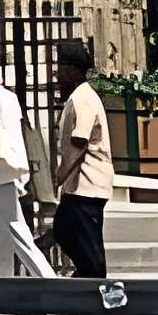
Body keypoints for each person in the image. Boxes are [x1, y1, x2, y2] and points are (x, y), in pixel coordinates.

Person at [0, 51, 53, 279]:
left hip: (0, 174)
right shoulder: (10, 97)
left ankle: (47, 277)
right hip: (6, 173)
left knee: (18, 231)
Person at [51, 38, 115, 278]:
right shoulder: (78, 96)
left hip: (88, 185)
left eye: (61, 69)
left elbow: (80, 142)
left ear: (72, 71)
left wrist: (61, 174)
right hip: (80, 186)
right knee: (64, 229)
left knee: (88, 247)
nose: (58, 76)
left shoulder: (82, 98)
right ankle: (86, 278)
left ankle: (96, 288)